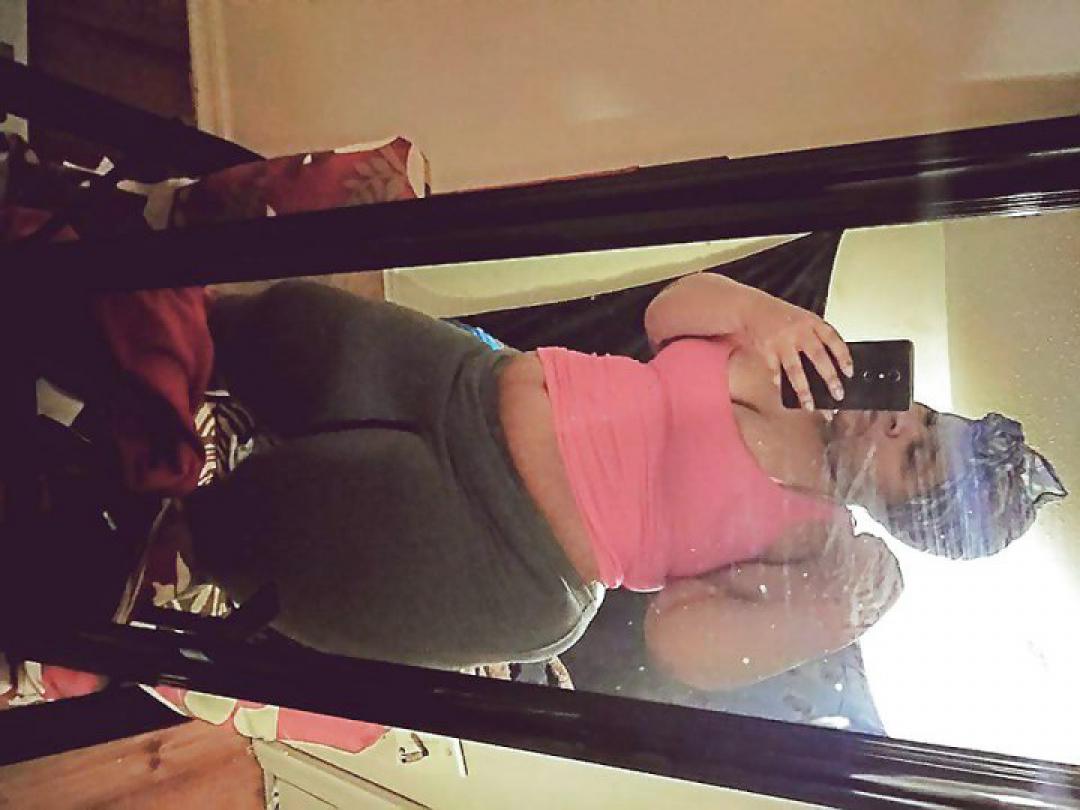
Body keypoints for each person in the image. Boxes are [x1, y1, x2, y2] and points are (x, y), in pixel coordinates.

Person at [179, 275, 1066, 682]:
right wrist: (761, 312)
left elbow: (681, 642)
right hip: (470, 384)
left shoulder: (817, 544)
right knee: (284, 327)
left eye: (917, 457)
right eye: (929, 419)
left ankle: (131, 520)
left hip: (508, 553)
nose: (903, 422)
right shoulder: (805, 359)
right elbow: (668, 314)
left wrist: (824, 619)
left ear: (904, 516)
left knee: (267, 530)